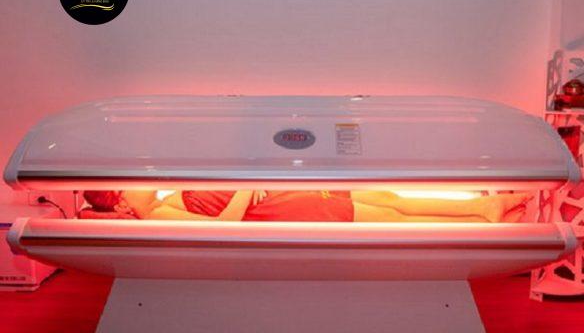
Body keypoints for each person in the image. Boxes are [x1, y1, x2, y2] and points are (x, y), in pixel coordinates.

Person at [80, 190, 532, 223]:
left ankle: (483, 207)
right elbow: (226, 223)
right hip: (289, 212)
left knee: (391, 198)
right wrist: (246, 190)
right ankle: (481, 215)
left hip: (286, 197)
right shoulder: (158, 214)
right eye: (126, 189)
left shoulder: (165, 195)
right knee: (392, 216)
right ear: (120, 203)